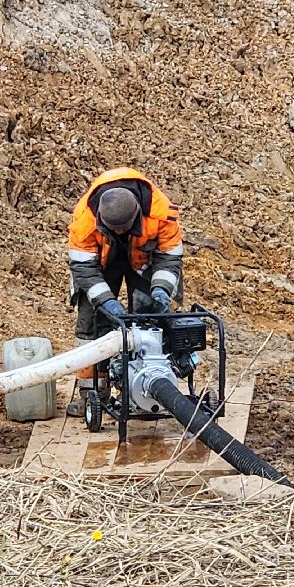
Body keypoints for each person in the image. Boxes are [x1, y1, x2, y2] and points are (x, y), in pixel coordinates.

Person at [66, 167, 183, 416]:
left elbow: (170, 258)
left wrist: (162, 290)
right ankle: (93, 392)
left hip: (144, 259)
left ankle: (147, 386)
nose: (119, 233)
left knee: (150, 319)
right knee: (91, 324)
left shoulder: (161, 213)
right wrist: (106, 302)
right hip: (100, 263)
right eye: (113, 230)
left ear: (138, 215)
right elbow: (84, 269)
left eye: (124, 228)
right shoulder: (84, 221)